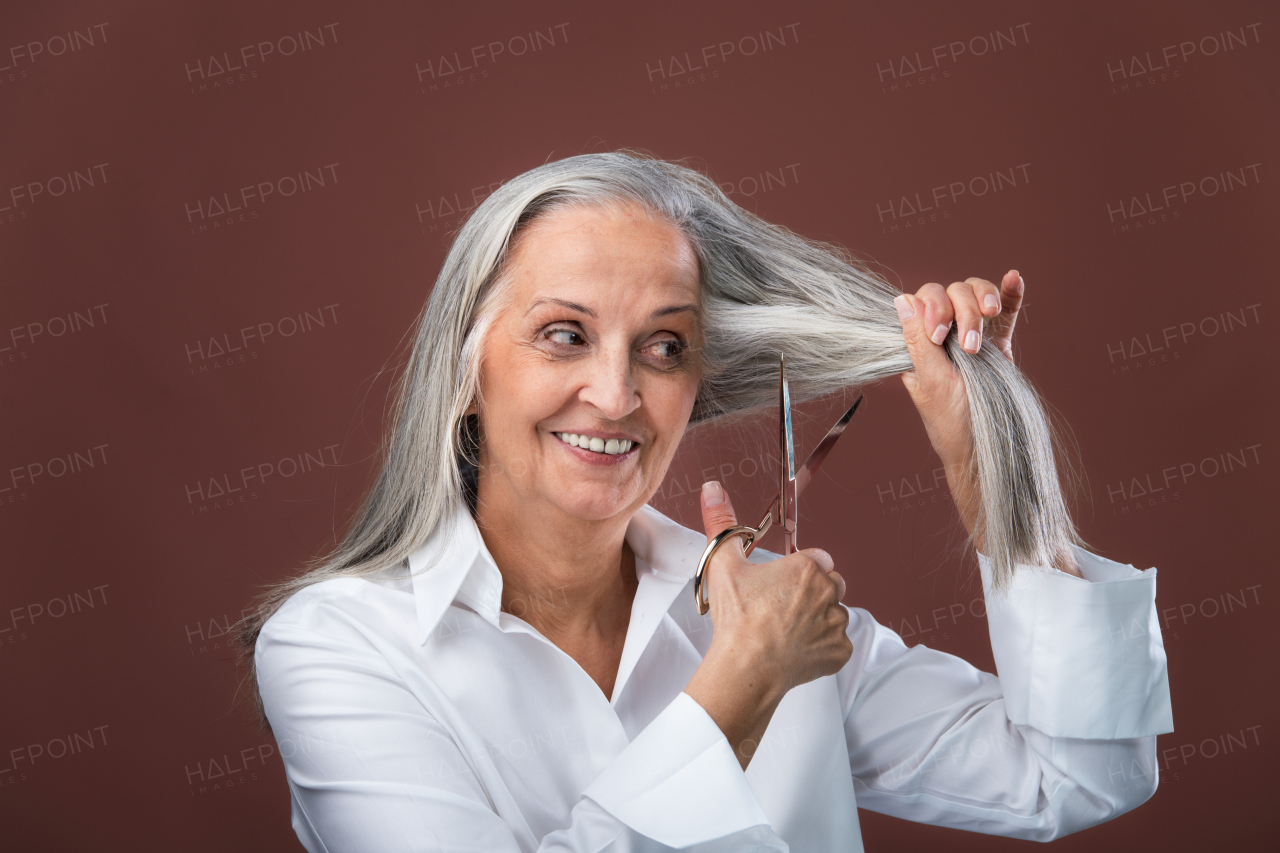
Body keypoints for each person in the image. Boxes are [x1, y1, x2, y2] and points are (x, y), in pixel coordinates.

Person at [237, 151, 1173, 852]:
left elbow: (1077, 778)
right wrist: (742, 684)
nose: (615, 394)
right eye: (564, 335)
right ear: (467, 371)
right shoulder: (336, 647)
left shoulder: (771, 607)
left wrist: (996, 470)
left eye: (664, 346)